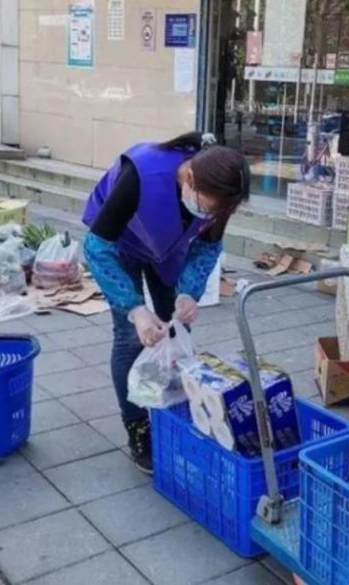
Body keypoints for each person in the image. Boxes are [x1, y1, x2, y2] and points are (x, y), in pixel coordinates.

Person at [82, 132, 250, 473]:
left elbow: (207, 247)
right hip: (120, 244)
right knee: (133, 336)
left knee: (175, 327)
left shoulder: (219, 197)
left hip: (168, 248)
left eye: (217, 210)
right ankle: (137, 427)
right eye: (207, 206)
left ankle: (172, 409)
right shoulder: (141, 175)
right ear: (189, 178)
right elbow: (96, 247)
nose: (210, 214)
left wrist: (189, 292)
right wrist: (135, 309)